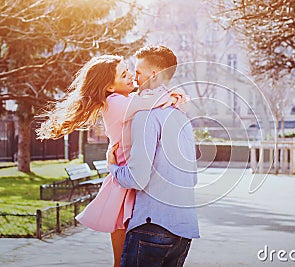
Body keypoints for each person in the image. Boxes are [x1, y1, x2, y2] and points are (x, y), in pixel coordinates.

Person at [36, 54, 186, 267]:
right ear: (109, 87)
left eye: (129, 71)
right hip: (123, 184)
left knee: (128, 257)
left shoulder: (125, 100)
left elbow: (152, 101)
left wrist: (173, 96)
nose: (131, 78)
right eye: (124, 75)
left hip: (131, 178)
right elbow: (152, 101)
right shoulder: (116, 103)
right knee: (122, 260)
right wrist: (172, 97)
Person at [107, 45, 199, 267]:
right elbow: (193, 178)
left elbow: (137, 178)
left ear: (154, 74)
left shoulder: (145, 116)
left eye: (138, 72)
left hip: (151, 228)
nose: (135, 79)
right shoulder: (181, 116)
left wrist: (113, 167)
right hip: (183, 231)